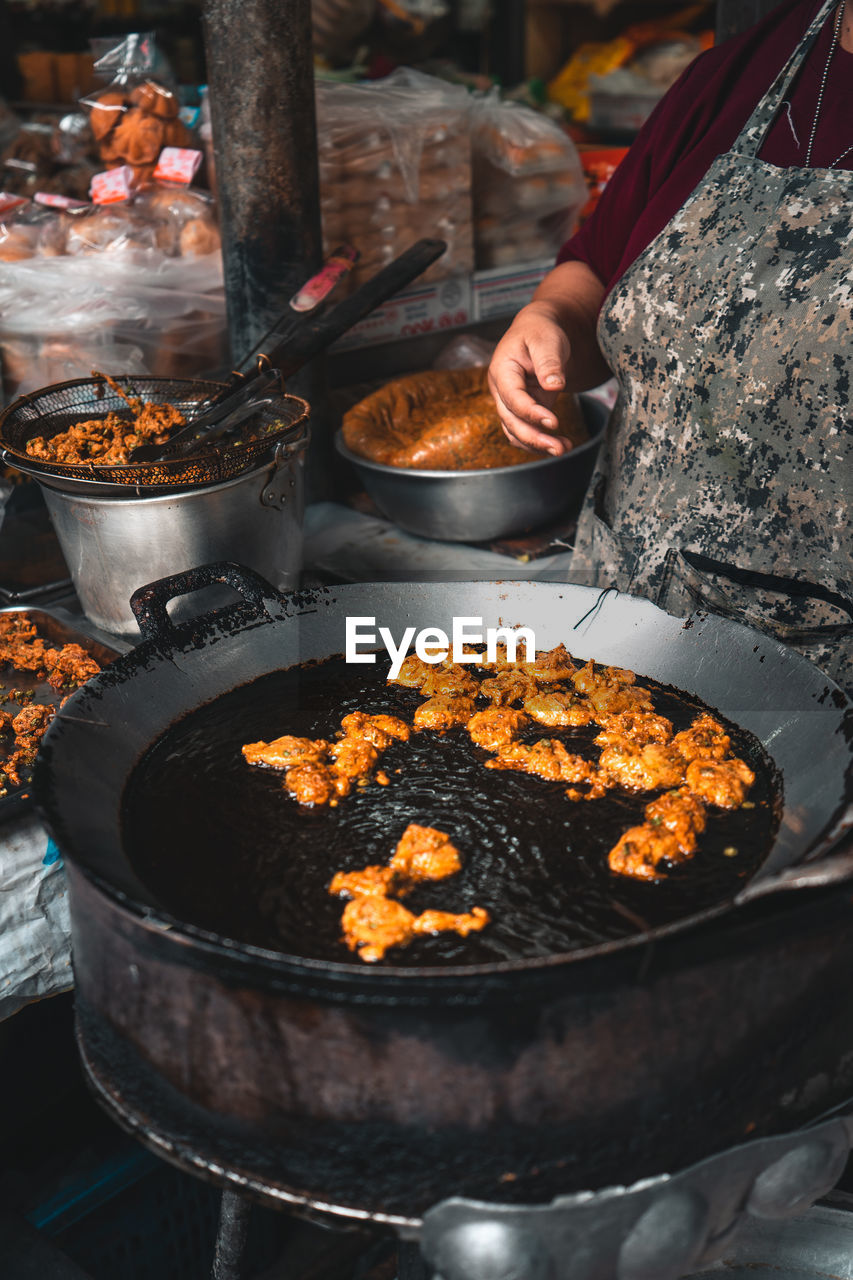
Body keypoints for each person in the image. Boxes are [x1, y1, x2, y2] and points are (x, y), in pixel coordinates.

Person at [488, 0, 853, 692]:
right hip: (628, 632)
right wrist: (550, 320)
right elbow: (598, 266)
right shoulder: (733, 76)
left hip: (824, 689)